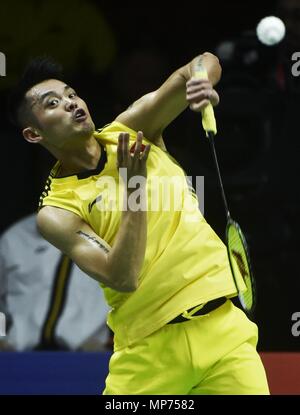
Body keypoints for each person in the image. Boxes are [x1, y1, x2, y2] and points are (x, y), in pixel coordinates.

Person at [8, 54, 269, 394]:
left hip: (224, 335)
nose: (71, 104)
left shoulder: (133, 128)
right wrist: (134, 189)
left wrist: (201, 81)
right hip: (148, 355)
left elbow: (201, 63)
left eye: (72, 94)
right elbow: (122, 276)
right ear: (33, 133)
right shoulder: (57, 212)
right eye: (53, 104)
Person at [0, 213, 111, 352]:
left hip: (90, 359)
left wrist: (112, 342)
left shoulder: (116, 236)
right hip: (20, 359)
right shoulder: (15, 238)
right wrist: (1, 338)